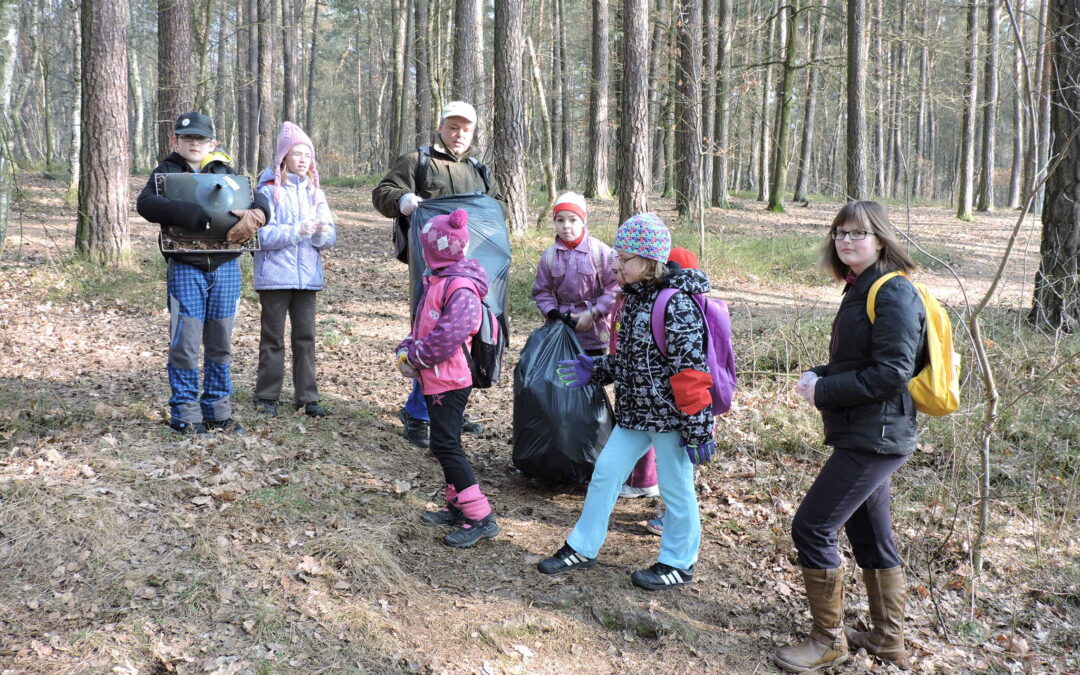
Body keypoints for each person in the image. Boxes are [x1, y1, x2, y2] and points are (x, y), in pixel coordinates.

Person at [773, 201, 924, 672]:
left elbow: (892, 373)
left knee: (812, 526)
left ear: (880, 239)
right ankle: (887, 638)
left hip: (877, 434)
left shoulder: (893, 292)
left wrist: (824, 390)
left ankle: (827, 641)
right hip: (867, 430)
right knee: (870, 533)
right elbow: (865, 361)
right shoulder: (862, 289)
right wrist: (821, 373)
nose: (845, 240)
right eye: (839, 232)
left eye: (857, 233)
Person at [536, 214, 715, 590]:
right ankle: (583, 547)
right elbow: (633, 361)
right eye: (616, 256)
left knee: (675, 489)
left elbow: (690, 372)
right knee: (605, 475)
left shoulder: (675, 304)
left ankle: (678, 563)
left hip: (670, 419)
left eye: (625, 258)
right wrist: (597, 368)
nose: (616, 264)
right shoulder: (630, 300)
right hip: (635, 413)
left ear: (650, 262)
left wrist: (698, 430)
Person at [372, 100, 506, 449]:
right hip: (429, 269)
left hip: (468, 270)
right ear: (441, 127)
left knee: (464, 336)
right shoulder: (419, 160)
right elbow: (383, 192)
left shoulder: (478, 169)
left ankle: (450, 409)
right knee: (431, 333)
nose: (459, 134)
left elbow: (495, 208)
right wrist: (403, 200)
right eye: (453, 127)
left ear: (473, 132)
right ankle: (418, 412)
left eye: (466, 129)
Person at [136, 111, 270, 435]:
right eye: (187, 138)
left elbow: (256, 195)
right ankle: (184, 412)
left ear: (213, 142)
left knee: (220, 341)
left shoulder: (224, 170)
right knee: (186, 341)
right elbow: (146, 204)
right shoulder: (167, 171)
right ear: (175, 141)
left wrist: (260, 214)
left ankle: (218, 410)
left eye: (200, 138)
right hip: (186, 265)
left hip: (225, 266)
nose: (194, 144)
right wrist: (187, 212)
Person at [395, 209, 500, 548]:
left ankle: (480, 516)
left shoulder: (460, 287)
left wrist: (416, 357)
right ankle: (457, 504)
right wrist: (406, 348)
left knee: (446, 444)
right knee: (445, 442)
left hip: (451, 380)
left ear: (433, 250)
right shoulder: (438, 280)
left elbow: (447, 337)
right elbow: (422, 328)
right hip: (435, 377)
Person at [251, 121, 336, 418]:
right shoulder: (267, 191)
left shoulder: (316, 192)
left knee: (306, 338)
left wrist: (320, 233)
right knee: (272, 337)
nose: (303, 160)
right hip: (274, 277)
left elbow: (329, 238)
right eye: (297, 153)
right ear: (283, 157)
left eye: (307, 154)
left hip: (308, 278)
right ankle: (266, 396)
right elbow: (259, 238)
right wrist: (296, 230)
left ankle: (308, 397)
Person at [532, 191, 619, 357]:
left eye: (573, 219)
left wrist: (595, 312)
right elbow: (541, 291)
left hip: (594, 334)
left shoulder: (600, 252)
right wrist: (554, 313)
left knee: (592, 378)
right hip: (560, 332)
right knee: (562, 378)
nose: (566, 225)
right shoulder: (549, 256)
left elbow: (615, 288)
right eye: (560, 220)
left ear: (583, 221)